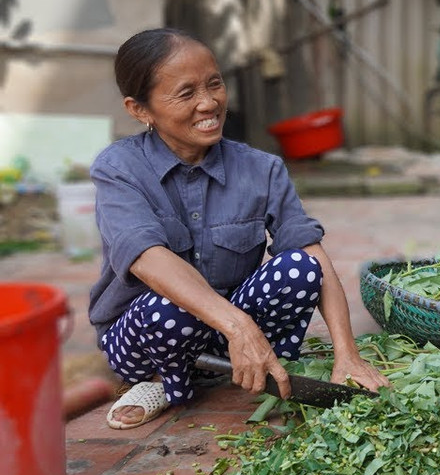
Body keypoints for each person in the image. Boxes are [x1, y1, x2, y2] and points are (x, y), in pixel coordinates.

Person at [89, 28, 389, 429]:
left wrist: (347, 354)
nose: (208, 103)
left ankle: (235, 363)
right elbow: (148, 261)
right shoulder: (118, 168)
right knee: (166, 306)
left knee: (300, 267)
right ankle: (160, 380)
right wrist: (240, 326)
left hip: (224, 331)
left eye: (214, 84)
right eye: (186, 93)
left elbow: (312, 255)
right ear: (140, 109)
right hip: (146, 339)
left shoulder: (262, 169)